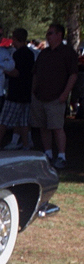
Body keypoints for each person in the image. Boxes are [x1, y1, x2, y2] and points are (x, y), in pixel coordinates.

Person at [32, 23, 78, 169]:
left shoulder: (68, 52)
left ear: (59, 35)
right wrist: (33, 91)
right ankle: (48, 154)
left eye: (51, 33)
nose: (48, 36)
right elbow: (36, 73)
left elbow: (73, 75)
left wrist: (65, 94)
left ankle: (62, 156)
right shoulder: (44, 53)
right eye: (47, 33)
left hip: (56, 97)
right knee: (43, 127)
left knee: (57, 127)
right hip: (40, 96)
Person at [0, 28, 34, 150]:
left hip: (15, 93)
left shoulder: (17, 54)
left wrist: (2, 68)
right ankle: (26, 145)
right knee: (23, 121)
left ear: (15, 39)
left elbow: (16, 72)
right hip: (26, 92)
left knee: (3, 120)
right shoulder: (30, 53)